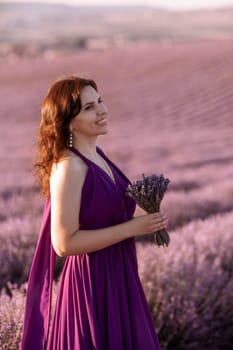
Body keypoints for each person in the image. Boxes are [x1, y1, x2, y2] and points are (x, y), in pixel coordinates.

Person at [21, 76, 168, 350]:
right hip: (92, 285)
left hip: (120, 276)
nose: (102, 110)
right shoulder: (70, 166)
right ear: (68, 121)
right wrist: (132, 229)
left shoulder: (98, 155)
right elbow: (64, 244)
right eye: (88, 107)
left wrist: (144, 223)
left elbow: (104, 218)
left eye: (100, 101)